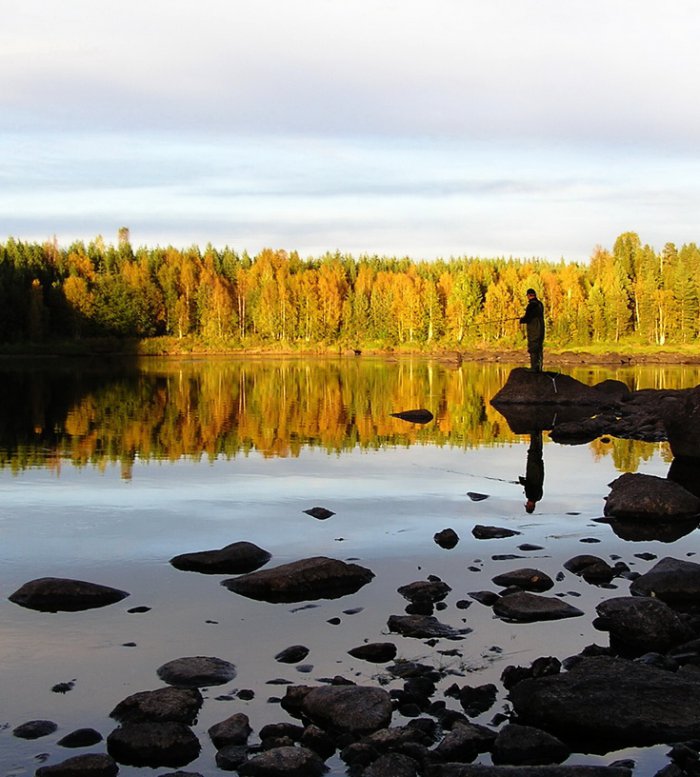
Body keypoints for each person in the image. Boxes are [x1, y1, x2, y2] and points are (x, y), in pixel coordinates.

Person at [519, 288, 545, 372]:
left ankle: (534, 368)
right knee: (539, 348)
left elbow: (528, 318)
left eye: (527, 296)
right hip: (541, 329)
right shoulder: (540, 304)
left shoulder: (531, 305)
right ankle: (539, 368)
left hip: (534, 330)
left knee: (533, 347)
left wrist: (522, 320)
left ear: (529, 295)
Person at [519, 430, 544, 513]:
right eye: (528, 505)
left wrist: (524, 482)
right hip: (533, 470)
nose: (527, 503)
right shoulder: (529, 495)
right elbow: (529, 485)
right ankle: (534, 432)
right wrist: (522, 482)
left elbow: (535, 484)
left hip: (539, 469)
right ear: (531, 506)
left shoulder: (539, 497)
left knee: (538, 451)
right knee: (533, 450)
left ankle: (539, 433)